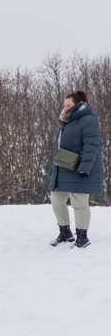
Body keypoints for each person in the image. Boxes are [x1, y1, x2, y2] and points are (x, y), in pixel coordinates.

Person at [48, 90, 104, 248]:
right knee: (56, 198)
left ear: (78, 104)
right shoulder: (68, 120)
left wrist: (84, 168)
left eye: (68, 105)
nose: (65, 108)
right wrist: (63, 121)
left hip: (81, 166)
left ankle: (82, 237)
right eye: (64, 105)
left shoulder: (88, 120)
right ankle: (65, 232)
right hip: (65, 166)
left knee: (79, 202)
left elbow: (92, 146)